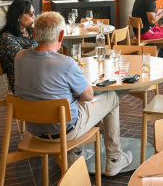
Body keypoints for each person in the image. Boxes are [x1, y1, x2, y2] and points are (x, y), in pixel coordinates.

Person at [14, 12, 132, 176]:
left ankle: (76, 154)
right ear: (62, 34)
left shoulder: (19, 57)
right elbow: (89, 96)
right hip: (64, 132)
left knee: (72, 103)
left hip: (34, 130)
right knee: (111, 97)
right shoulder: (66, 63)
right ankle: (114, 159)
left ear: (34, 34)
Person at [0, 0, 38, 93]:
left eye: (34, 13)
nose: (34, 17)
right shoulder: (7, 38)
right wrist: (35, 38)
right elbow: (25, 61)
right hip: (22, 84)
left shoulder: (31, 32)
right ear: (18, 16)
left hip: (38, 76)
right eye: (30, 14)